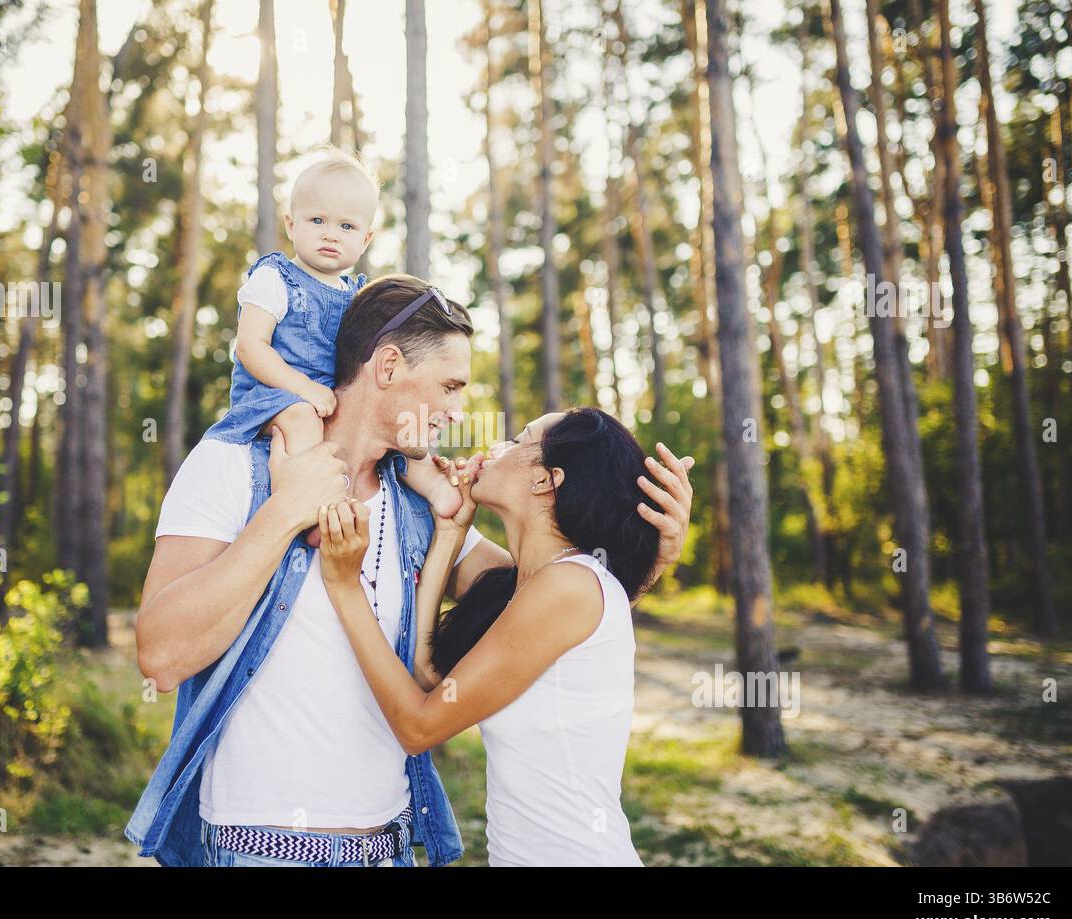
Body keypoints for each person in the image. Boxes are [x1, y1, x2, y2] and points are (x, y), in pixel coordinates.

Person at [125, 276, 694, 867]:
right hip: (258, 849)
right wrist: (285, 512)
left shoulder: (422, 506)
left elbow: (548, 612)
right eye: (449, 387)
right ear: (389, 366)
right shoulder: (233, 467)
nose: (457, 412)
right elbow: (161, 657)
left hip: (391, 847)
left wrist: (651, 560)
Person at [318, 407, 694, 865]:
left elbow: (419, 726)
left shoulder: (567, 587)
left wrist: (343, 585)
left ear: (545, 480)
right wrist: (449, 533)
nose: (496, 447)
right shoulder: (530, 584)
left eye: (518, 440)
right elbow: (427, 673)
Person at [214, 146, 459, 525]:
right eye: (317, 220)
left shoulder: (356, 295)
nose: (330, 235)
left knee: (388, 431)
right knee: (302, 420)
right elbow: (250, 347)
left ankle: (438, 490)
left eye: (346, 227)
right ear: (291, 223)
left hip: (331, 397)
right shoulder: (274, 279)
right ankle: (312, 508)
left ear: (365, 239)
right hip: (274, 396)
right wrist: (303, 388)